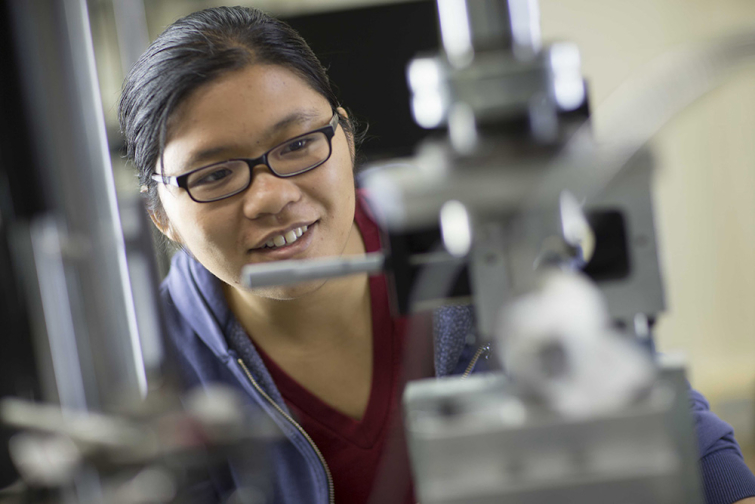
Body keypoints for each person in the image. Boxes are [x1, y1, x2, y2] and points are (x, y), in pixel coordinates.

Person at [118, 6, 755, 504]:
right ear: (160, 214)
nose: (272, 196)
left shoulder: (476, 237)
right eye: (215, 174)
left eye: (298, 144)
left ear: (343, 134)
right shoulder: (151, 360)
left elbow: (673, 434)